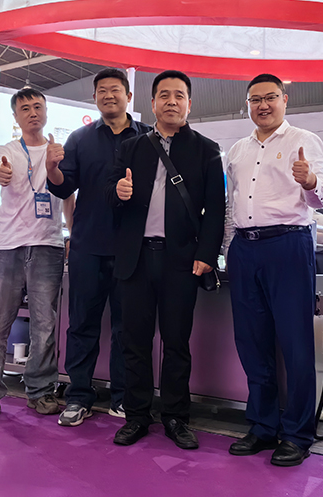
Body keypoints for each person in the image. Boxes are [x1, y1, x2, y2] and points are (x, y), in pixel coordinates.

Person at [105, 70, 225, 449]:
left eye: (179, 95)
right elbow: (109, 196)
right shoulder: (131, 147)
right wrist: (118, 192)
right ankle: (137, 416)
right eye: (164, 95)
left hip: (181, 261)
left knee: (176, 343)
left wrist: (207, 254)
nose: (172, 101)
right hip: (136, 259)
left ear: (189, 103)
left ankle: (175, 417)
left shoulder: (206, 149)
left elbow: (216, 209)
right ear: (153, 103)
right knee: (134, 342)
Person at [223, 73, 323, 467]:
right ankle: (262, 425)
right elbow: (231, 204)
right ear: (247, 105)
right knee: (251, 342)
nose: (263, 105)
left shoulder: (304, 140)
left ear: (285, 99)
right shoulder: (237, 150)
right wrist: (226, 250)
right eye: (255, 99)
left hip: (288, 245)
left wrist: (311, 181)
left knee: (295, 342)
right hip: (244, 248)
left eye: (270, 97)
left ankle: (298, 434)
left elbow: (322, 199)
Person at [46, 69, 151, 427]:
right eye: (102, 91)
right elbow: (63, 188)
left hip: (133, 249)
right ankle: (78, 396)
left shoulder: (148, 137)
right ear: (94, 98)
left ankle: (123, 397)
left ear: (128, 96)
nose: (109, 95)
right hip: (88, 246)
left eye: (115, 90)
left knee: (128, 328)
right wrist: (52, 168)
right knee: (82, 324)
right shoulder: (80, 139)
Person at [0, 87, 74, 421]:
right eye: (25, 108)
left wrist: (72, 234)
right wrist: (1, 174)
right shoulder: (6, 151)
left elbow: (68, 194)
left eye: (38, 106)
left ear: (46, 112)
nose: (32, 112)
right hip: (8, 247)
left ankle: (41, 391)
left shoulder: (59, 151)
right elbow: (0, 172)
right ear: (16, 116)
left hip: (47, 246)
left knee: (45, 324)